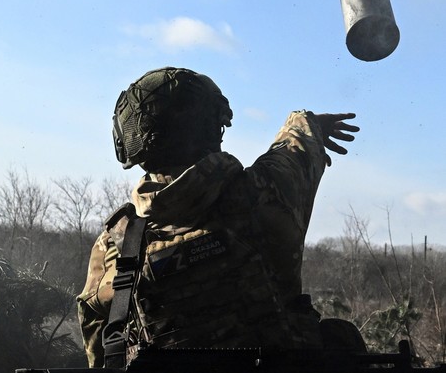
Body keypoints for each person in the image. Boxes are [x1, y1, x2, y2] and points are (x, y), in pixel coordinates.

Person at [76, 67, 359, 368]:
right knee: (341, 340)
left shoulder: (116, 246)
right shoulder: (265, 192)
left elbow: (101, 346)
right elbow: (295, 148)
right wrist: (307, 123)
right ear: (214, 129)